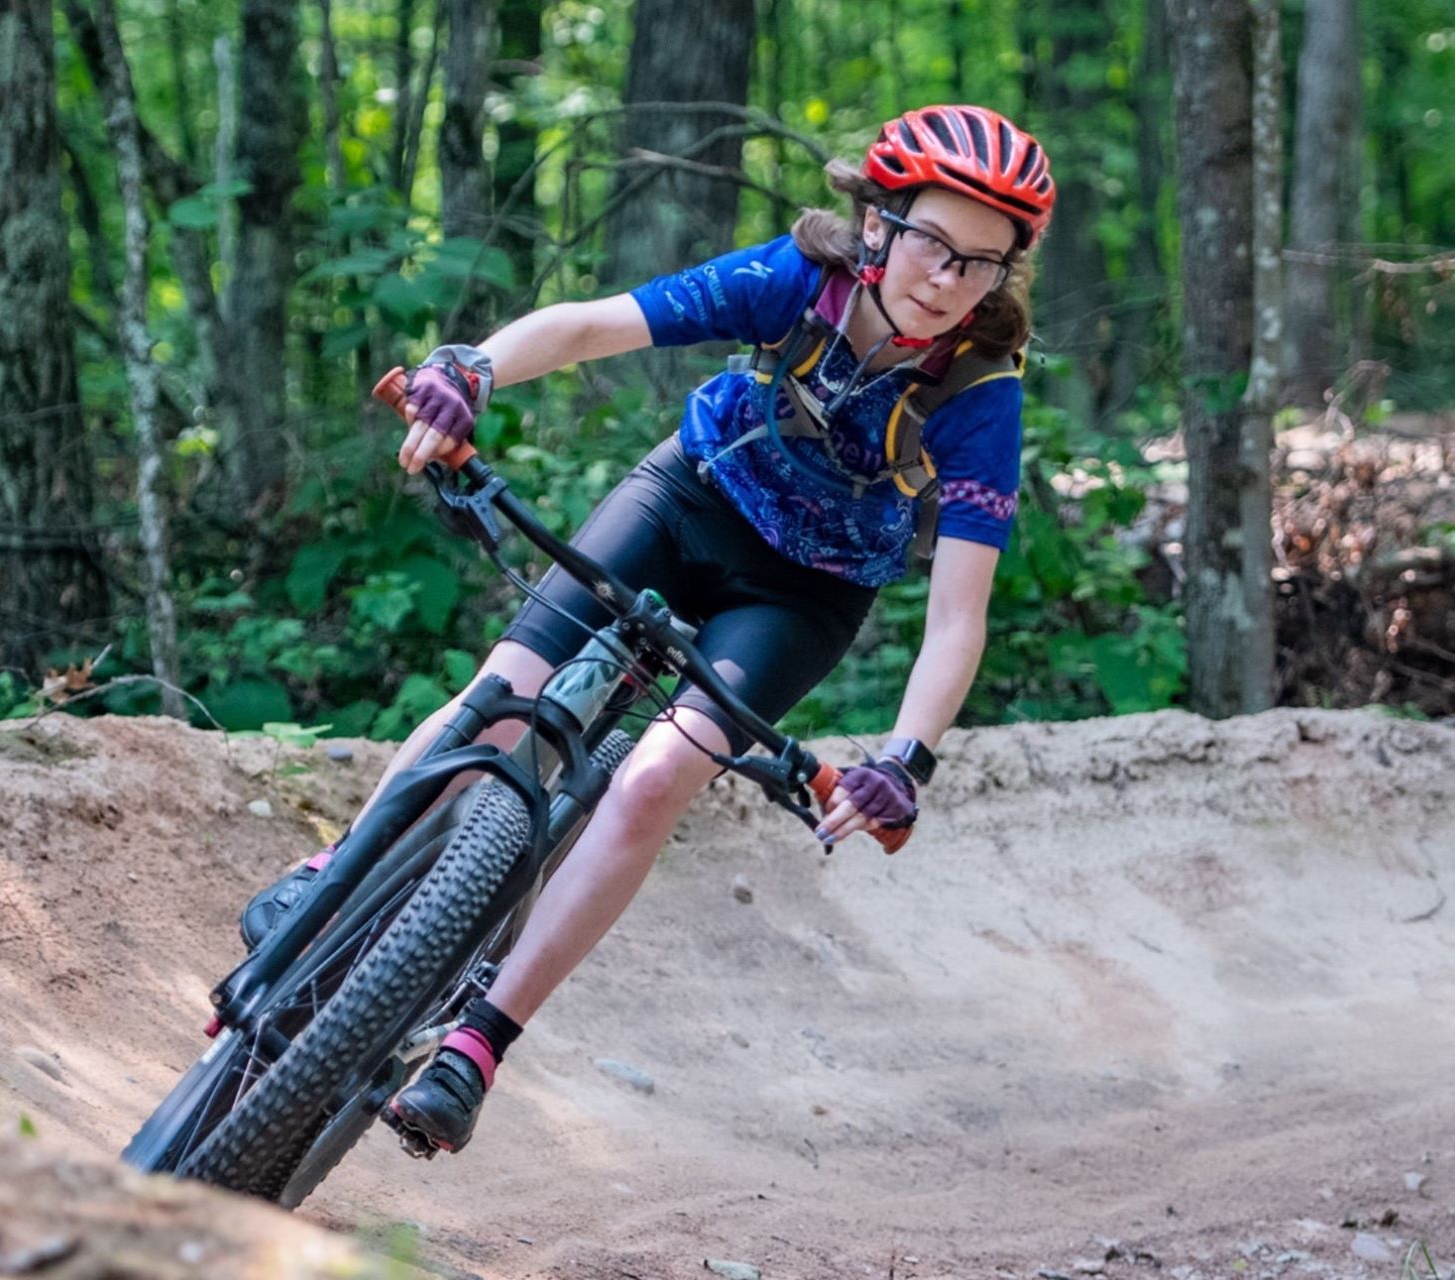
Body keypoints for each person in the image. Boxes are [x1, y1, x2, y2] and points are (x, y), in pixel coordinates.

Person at [242, 104, 1055, 1155]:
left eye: (982, 263)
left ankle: (476, 1045)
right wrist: (472, 367)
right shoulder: (795, 282)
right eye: (933, 243)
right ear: (876, 225)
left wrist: (906, 757)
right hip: (687, 498)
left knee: (652, 780)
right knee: (499, 699)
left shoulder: (981, 392)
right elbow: (593, 324)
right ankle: (338, 871)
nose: (948, 279)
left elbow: (958, 611)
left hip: (804, 593)